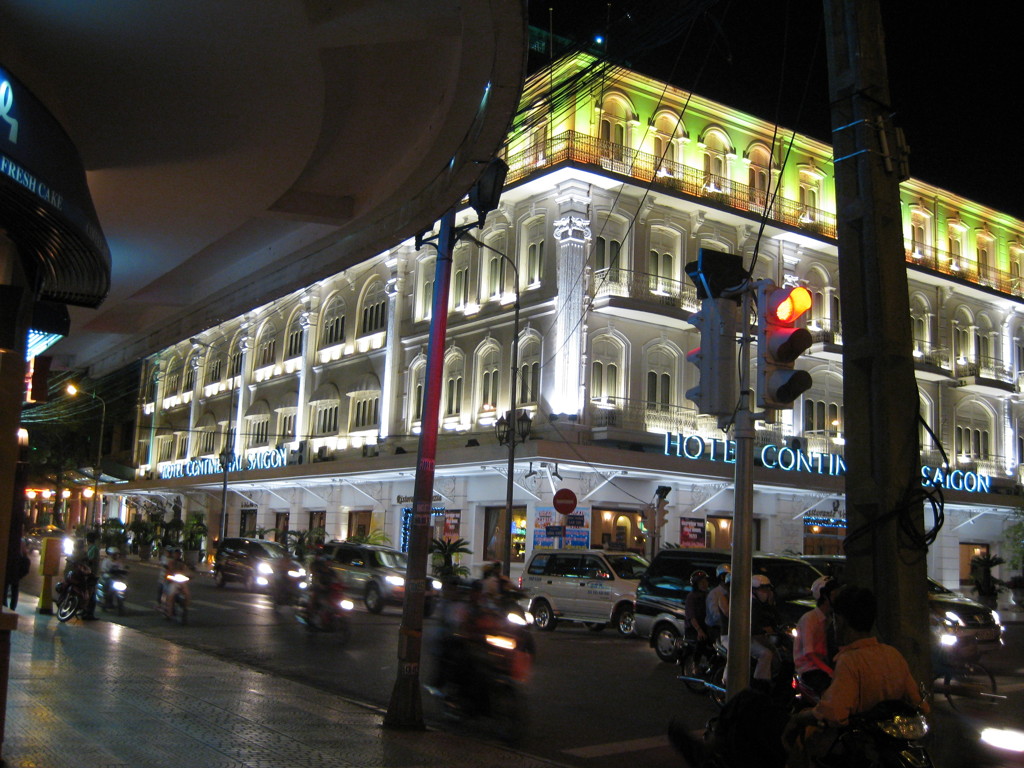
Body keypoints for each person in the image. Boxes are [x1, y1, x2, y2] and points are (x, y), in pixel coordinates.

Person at [784, 585, 929, 767]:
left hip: (862, 750)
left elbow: (834, 713)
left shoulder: (850, 660)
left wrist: (800, 717)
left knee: (804, 742)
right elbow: (919, 704)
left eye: (834, 619)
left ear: (841, 621)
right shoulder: (893, 654)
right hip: (891, 745)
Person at [794, 575, 837, 697]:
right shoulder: (809, 619)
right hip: (810, 670)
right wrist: (830, 671)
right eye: (834, 594)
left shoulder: (830, 618)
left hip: (823, 666)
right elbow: (809, 653)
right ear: (825, 596)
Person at [750, 573, 780, 691]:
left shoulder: (764, 604)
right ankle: (760, 683)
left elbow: (775, 619)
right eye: (762, 589)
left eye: (767, 589)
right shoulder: (750, 605)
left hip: (762, 637)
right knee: (766, 654)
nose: (766, 592)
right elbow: (751, 626)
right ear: (754, 590)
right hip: (749, 638)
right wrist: (763, 629)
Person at [161, 547, 191, 618]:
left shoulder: (182, 563)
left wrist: (189, 576)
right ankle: (169, 612)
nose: (177, 555)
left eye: (179, 554)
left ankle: (185, 608)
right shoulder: (170, 562)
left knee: (187, 593)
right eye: (176, 553)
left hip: (181, 582)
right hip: (173, 582)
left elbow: (187, 571)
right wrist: (169, 576)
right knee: (171, 595)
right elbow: (167, 573)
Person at [685, 569, 710, 643]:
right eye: (702, 582)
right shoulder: (691, 597)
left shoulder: (707, 595)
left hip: (706, 627)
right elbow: (691, 617)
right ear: (696, 584)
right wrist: (699, 630)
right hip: (694, 630)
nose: (705, 584)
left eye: (705, 581)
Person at [706, 564, 731, 639]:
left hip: (728, 628)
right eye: (725, 576)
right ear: (721, 577)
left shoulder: (732, 593)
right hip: (716, 630)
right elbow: (716, 616)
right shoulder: (714, 594)